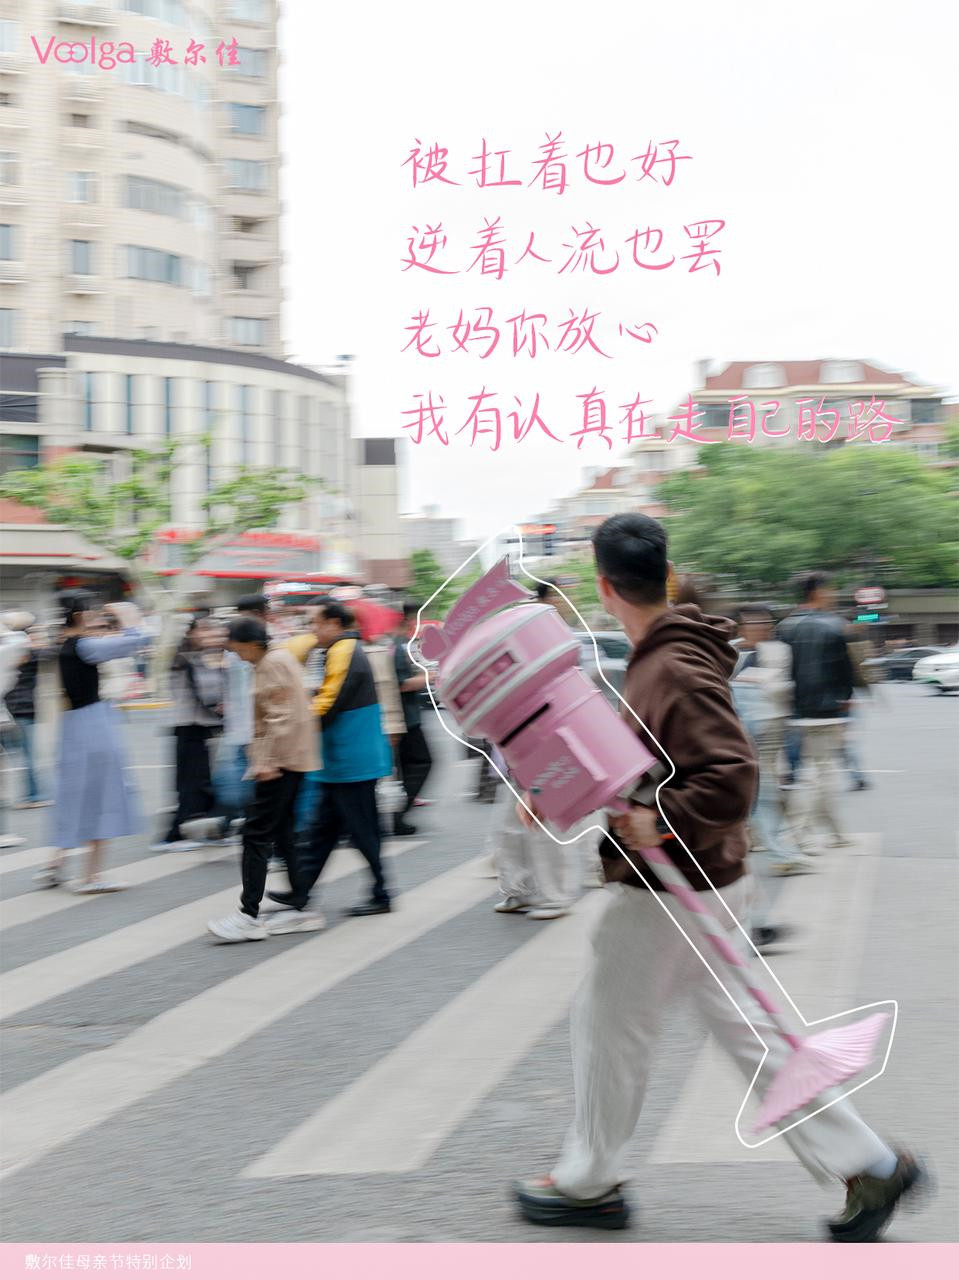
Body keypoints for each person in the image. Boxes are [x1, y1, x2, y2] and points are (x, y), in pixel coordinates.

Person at [513, 513, 923, 1242]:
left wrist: (661, 819)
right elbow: (649, 758)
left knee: (608, 1030)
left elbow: (729, 776)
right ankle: (868, 1164)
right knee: (749, 1035)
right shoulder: (669, 653)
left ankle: (588, 1182)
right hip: (706, 878)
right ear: (665, 576)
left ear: (604, 587)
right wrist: (562, 785)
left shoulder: (668, 664)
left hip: (669, 890)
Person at [269, 601, 393, 918]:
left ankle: (381, 894)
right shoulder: (336, 650)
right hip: (340, 761)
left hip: (352, 761)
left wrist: (297, 724)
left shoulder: (344, 650)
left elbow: (328, 702)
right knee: (321, 833)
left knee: (363, 832)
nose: (312, 630)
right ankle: (301, 891)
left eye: (316, 623)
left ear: (334, 623)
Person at [207, 618, 319, 942]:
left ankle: (248, 915)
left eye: (239, 650)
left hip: (280, 761)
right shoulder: (279, 658)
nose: (238, 656)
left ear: (253, 644)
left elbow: (280, 717)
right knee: (283, 831)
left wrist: (267, 761)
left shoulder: (271, 663)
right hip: (292, 758)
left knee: (255, 834)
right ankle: (300, 901)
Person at [37, 595, 148, 892]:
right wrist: (129, 616)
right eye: (94, 613)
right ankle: (91, 876)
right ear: (80, 616)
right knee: (102, 796)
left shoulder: (65, 644)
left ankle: (56, 862)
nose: (98, 618)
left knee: (74, 796)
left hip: (73, 726)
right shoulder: (85, 646)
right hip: (94, 725)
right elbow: (136, 641)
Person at [731, 604, 814, 949]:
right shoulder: (729, 653)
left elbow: (785, 689)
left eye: (764, 623)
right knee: (756, 804)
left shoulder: (778, 651)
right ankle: (754, 922)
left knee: (764, 797)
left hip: (768, 732)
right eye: (753, 623)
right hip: (740, 740)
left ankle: (756, 922)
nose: (759, 628)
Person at [778, 572, 854, 852]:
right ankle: (796, 835)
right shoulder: (835, 625)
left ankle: (835, 832)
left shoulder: (785, 627)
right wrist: (845, 701)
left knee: (817, 772)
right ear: (817, 592)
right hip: (827, 710)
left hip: (794, 709)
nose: (833, 594)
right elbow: (845, 670)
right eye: (830, 589)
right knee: (818, 775)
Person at [152, 616, 224, 852]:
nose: (210, 635)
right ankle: (172, 837)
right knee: (191, 783)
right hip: (189, 725)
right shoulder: (183, 655)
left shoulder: (200, 654)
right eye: (204, 630)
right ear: (190, 633)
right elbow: (207, 690)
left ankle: (208, 831)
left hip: (199, 725)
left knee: (200, 782)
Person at [391, 603, 433, 837]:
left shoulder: (399, 643)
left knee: (406, 767)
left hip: (404, 717)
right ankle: (397, 815)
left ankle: (397, 815)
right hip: (405, 719)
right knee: (421, 763)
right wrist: (429, 677)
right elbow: (401, 684)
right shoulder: (398, 646)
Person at [2, 612, 48, 807]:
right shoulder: (28, 652)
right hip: (21, 710)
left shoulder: (11, 650)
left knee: (18, 754)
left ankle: (29, 795)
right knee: (27, 755)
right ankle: (32, 795)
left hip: (13, 710)